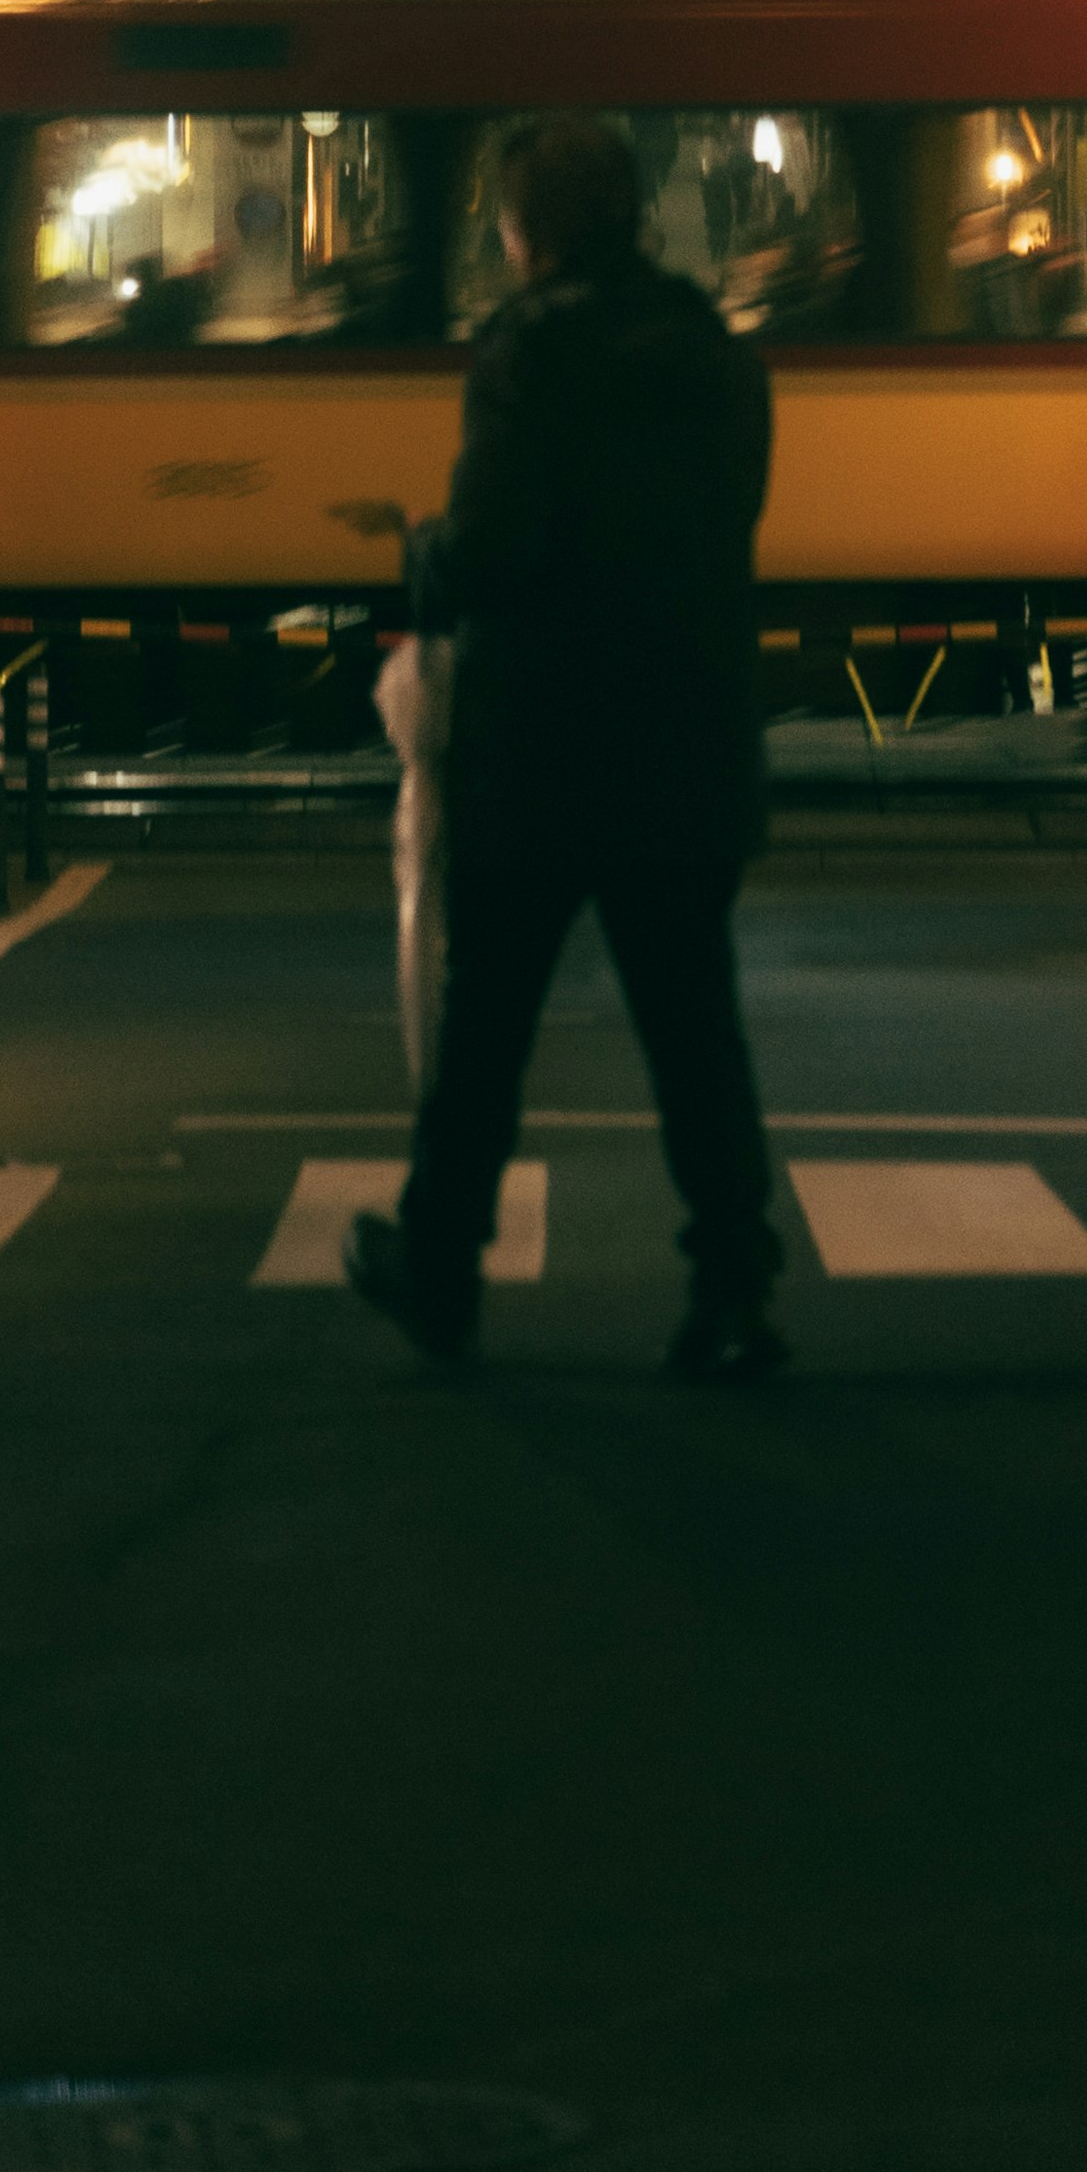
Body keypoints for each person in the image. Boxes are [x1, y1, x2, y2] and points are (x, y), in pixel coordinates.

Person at [347, 113, 786, 1382]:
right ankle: (733, 1293)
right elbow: (724, 525)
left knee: (487, 1027)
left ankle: (442, 1275)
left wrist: (419, 548)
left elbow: (492, 545)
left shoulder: (530, 349)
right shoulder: (715, 352)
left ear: (524, 230)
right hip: (689, 736)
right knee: (698, 1032)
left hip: (540, 744)